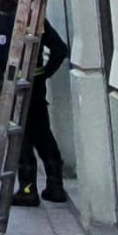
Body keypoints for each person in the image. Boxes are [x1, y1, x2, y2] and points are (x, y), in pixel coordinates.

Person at [12, 20, 70, 206]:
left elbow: (2, 53)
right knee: (43, 135)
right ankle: (55, 186)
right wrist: (44, 73)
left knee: (22, 140)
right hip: (37, 89)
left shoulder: (12, 18)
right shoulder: (37, 20)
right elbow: (60, 49)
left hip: (18, 89)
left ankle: (27, 190)